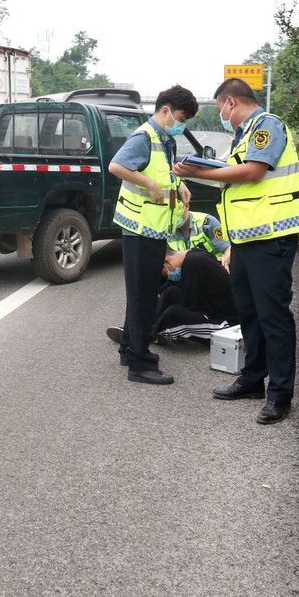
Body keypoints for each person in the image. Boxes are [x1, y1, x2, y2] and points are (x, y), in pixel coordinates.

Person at [174, 78, 299, 424]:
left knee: (273, 316)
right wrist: (233, 242)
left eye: (221, 108)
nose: (222, 116)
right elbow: (235, 185)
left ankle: (280, 393)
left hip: (271, 238)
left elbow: (253, 172)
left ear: (231, 103)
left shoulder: (267, 126)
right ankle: (252, 379)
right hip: (247, 240)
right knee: (248, 312)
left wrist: (198, 169)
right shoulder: (242, 136)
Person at [108, 85, 198, 385]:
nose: (182, 123)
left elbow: (165, 172)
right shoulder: (144, 137)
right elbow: (117, 166)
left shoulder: (164, 138)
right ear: (165, 110)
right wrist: (150, 184)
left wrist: (178, 184)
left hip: (153, 227)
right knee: (144, 295)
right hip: (140, 228)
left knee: (141, 291)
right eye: (181, 117)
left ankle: (128, 348)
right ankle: (140, 364)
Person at [106, 209, 237, 344]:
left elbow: (189, 305)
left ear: (167, 262)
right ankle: (137, 329)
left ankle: (146, 335)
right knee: (170, 293)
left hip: (226, 324)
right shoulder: (191, 256)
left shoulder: (193, 262)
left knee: (173, 314)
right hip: (208, 304)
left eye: (163, 272)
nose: (167, 276)